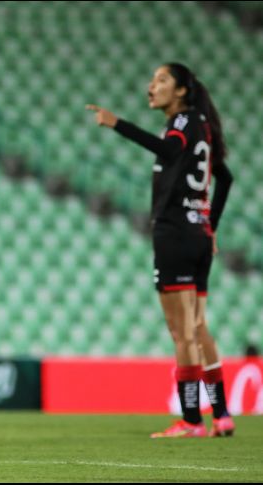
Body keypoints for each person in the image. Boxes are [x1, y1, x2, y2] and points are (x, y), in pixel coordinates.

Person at [86, 63, 234, 438]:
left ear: (182, 90)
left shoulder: (183, 123)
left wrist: (117, 123)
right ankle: (221, 415)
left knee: (181, 332)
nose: (151, 86)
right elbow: (225, 177)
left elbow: (168, 149)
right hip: (198, 234)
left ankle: (191, 420)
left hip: (176, 234)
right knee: (198, 327)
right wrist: (210, 225)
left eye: (162, 80)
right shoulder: (203, 125)